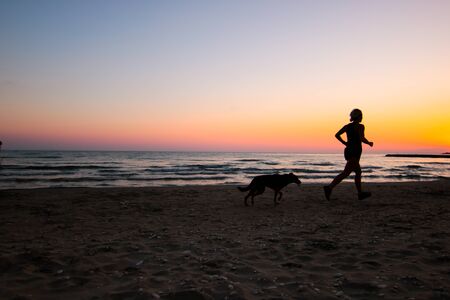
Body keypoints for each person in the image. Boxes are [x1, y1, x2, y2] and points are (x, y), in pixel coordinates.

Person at [324, 109, 373, 200]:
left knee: (356, 172)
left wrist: (345, 143)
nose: (362, 117)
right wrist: (369, 143)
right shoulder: (360, 126)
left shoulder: (347, 126)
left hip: (349, 151)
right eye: (361, 116)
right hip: (355, 151)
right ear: (358, 117)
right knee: (347, 173)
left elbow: (337, 135)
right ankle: (329, 188)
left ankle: (359, 193)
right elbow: (362, 138)